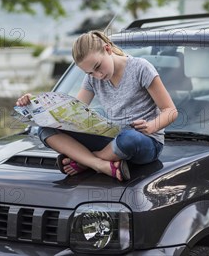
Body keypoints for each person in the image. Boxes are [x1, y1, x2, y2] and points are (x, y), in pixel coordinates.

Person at [16, 30, 178, 181]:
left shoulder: (141, 68)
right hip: (113, 139)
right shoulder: (93, 79)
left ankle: (84, 161)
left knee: (129, 138)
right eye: (90, 73)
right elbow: (71, 114)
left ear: (107, 49)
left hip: (145, 143)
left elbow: (170, 111)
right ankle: (100, 164)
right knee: (46, 130)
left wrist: (151, 126)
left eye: (98, 67)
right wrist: (36, 102)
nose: (98, 75)